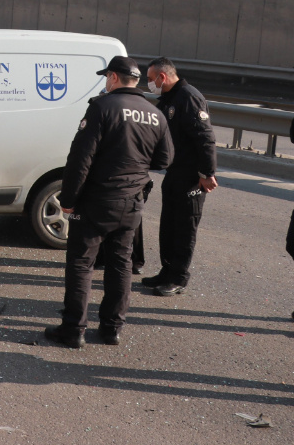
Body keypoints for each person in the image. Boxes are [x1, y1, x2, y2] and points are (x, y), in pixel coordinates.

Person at [44, 56, 173, 348]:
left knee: (80, 264)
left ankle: (73, 330)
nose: (105, 82)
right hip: (131, 202)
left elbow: (80, 159)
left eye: (106, 77)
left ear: (114, 78)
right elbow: (164, 159)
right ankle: (111, 328)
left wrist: (68, 199)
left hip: (96, 201)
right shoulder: (155, 114)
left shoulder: (102, 107)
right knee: (120, 263)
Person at [140, 57, 218, 297]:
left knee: (185, 227)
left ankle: (179, 277)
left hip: (192, 175)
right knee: (169, 225)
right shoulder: (169, 98)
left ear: (163, 77)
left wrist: (207, 173)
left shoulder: (188, 97)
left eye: (152, 80)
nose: (150, 84)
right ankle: (167, 271)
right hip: (174, 172)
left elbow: (205, 138)